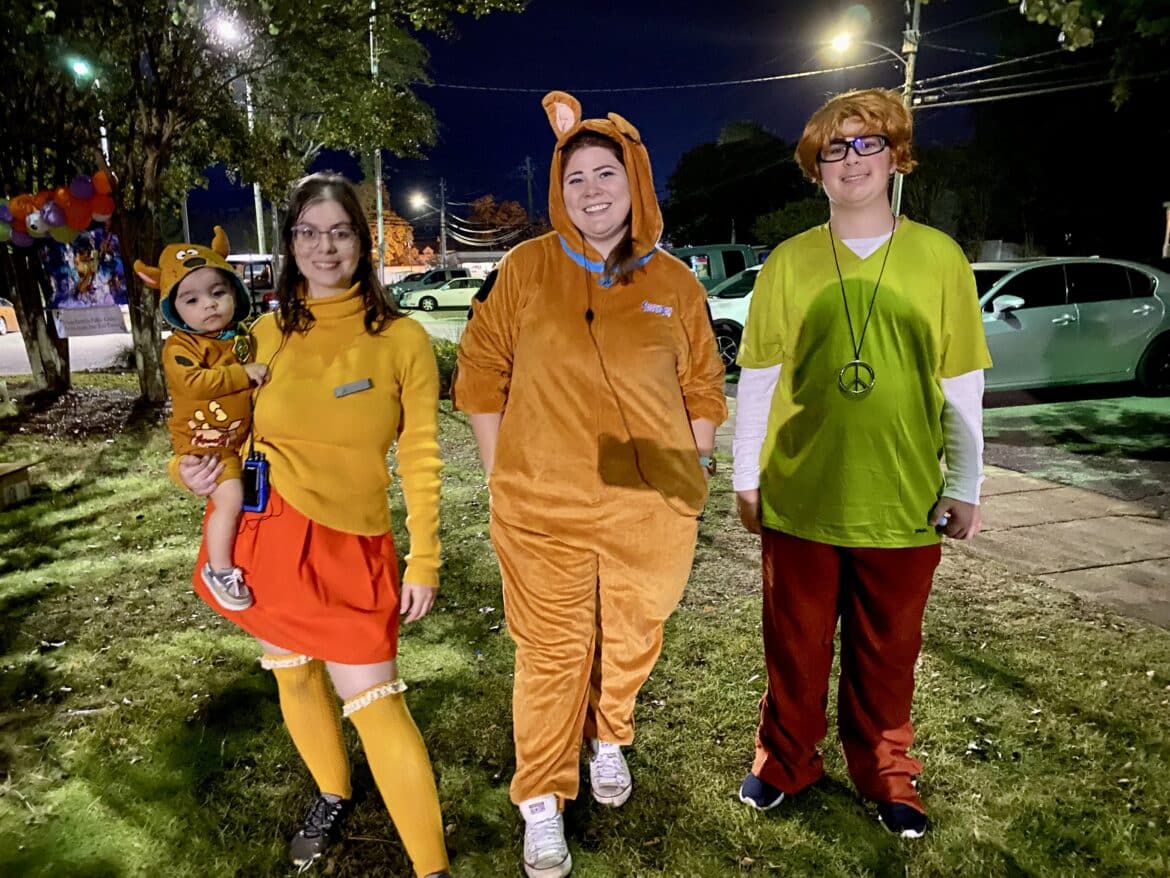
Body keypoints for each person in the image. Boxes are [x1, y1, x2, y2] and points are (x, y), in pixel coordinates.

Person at [454, 91, 726, 878]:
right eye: (575, 178)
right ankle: (541, 798)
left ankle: (609, 735)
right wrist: (502, 473)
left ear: (635, 181)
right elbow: (479, 372)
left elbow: (703, 385)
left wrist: (695, 469)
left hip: (652, 501)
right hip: (543, 504)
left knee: (634, 635)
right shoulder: (526, 269)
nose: (591, 190)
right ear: (558, 189)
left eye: (607, 173)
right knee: (552, 651)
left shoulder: (674, 282)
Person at [731, 88, 992, 838]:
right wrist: (746, 477)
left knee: (888, 654)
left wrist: (966, 483)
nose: (851, 159)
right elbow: (760, 378)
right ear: (815, 169)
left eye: (867, 142)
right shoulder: (788, 262)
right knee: (795, 649)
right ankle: (786, 760)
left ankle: (887, 772)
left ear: (896, 156)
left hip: (902, 496)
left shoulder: (940, 258)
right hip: (801, 494)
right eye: (834, 148)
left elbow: (961, 382)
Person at [174, 173, 451, 878]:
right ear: (290, 242)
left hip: (350, 542)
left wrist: (424, 556)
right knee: (292, 676)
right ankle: (332, 793)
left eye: (340, 232)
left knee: (377, 705)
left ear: (362, 241)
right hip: (267, 533)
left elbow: (421, 454)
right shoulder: (260, 335)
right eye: (308, 232)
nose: (324, 247)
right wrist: (190, 471)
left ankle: (433, 869)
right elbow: (217, 428)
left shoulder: (402, 339)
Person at [135, 227, 268, 612]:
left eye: (217, 292)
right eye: (192, 299)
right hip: (204, 443)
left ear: (235, 293)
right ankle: (219, 568)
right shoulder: (180, 346)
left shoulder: (238, 336)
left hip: (235, 439)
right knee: (230, 497)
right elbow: (193, 383)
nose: (208, 305)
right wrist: (243, 375)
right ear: (173, 308)